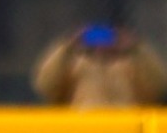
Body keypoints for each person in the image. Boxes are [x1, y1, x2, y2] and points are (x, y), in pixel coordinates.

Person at [31, 22, 167, 107]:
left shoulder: (132, 64)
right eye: (95, 36)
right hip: (85, 128)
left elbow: (157, 87)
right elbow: (45, 86)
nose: (102, 43)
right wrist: (66, 47)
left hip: (126, 129)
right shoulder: (75, 63)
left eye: (109, 37)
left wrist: (136, 48)